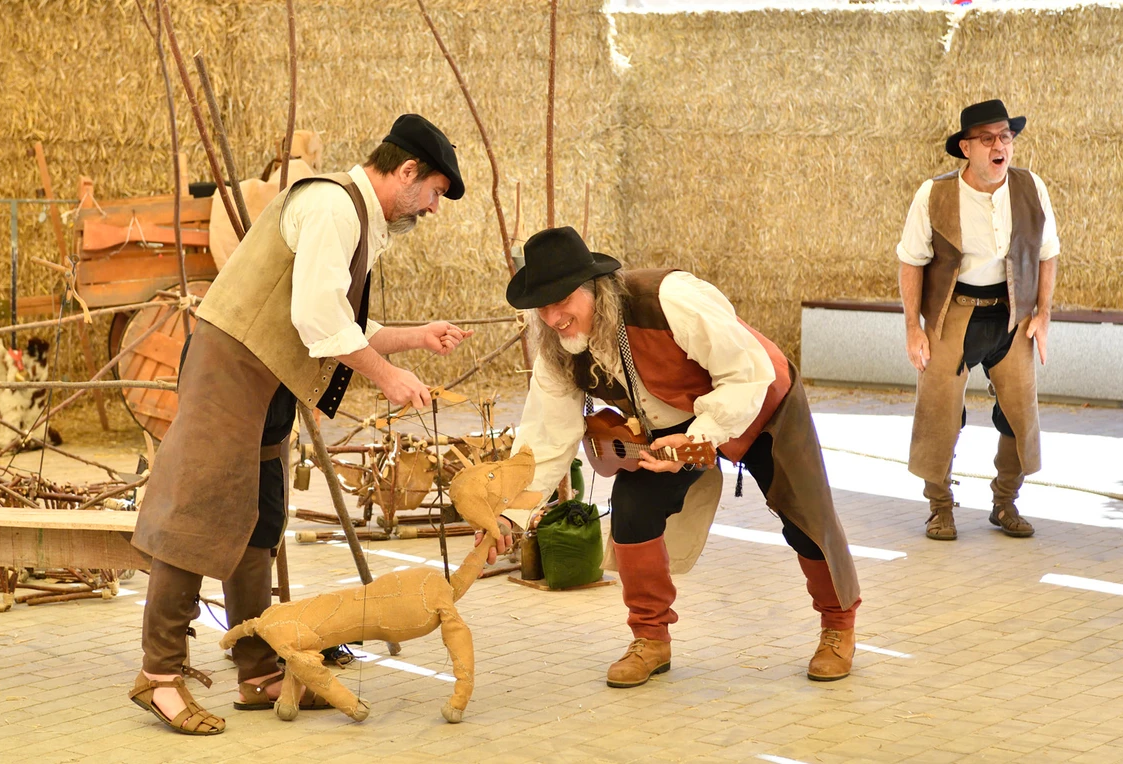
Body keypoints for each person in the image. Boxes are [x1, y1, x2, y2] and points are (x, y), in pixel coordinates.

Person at [129, 114, 474, 735]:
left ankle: (259, 669)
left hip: (268, 377)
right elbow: (319, 319)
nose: (432, 207)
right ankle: (158, 676)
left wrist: (416, 338)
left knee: (260, 517)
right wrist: (387, 377)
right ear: (407, 172)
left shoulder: (356, 218)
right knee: (197, 514)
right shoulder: (333, 207)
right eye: (434, 192)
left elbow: (337, 322)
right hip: (232, 367)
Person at [492, 226, 861, 689]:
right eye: (541, 307)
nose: (553, 317)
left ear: (595, 289)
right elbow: (547, 436)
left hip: (761, 400)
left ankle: (838, 626)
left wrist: (698, 438)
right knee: (632, 507)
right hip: (667, 422)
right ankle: (650, 639)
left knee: (803, 515)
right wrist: (508, 513)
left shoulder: (670, 300)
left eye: (562, 300)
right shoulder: (556, 350)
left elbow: (746, 374)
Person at [896, 99, 1059, 541]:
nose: (999, 145)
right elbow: (910, 261)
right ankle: (940, 508)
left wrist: (1043, 314)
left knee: (1019, 415)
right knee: (940, 415)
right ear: (966, 148)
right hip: (954, 313)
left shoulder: (1031, 188)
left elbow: (1048, 253)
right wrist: (913, 327)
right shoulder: (934, 194)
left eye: (1005, 136)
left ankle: (1005, 502)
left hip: (1012, 313)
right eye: (987, 138)